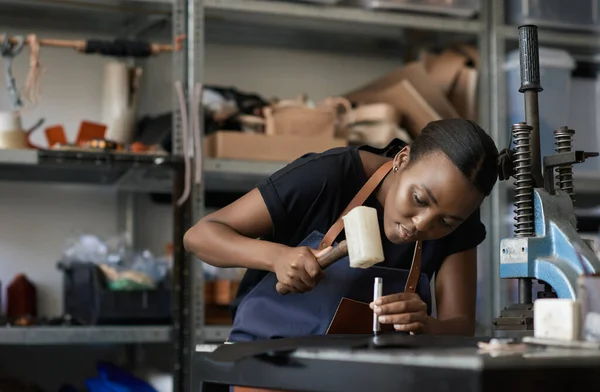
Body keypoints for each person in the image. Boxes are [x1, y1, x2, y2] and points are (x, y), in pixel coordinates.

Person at [184, 118, 500, 342]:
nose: (421, 224)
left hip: (370, 376)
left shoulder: (459, 216)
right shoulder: (331, 175)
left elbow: (459, 327)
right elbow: (200, 236)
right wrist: (276, 257)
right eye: (418, 199)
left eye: (445, 222)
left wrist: (427, 326)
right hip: (267, 363)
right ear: (402, 160)